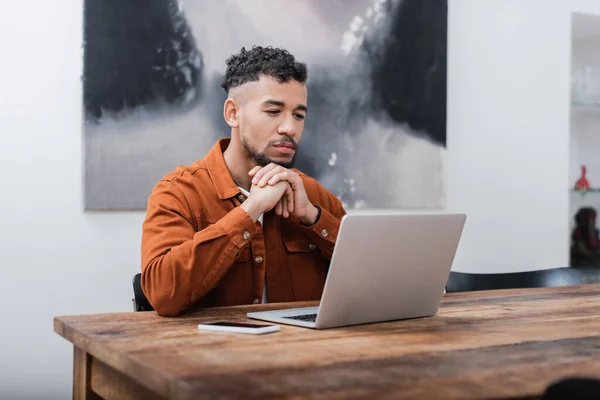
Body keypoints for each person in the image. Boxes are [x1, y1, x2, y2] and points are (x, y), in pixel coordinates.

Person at [141, 46, 347, 317]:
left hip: (303, 354)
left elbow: (370, 282)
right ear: (232, 114)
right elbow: (162, 295)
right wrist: (251, 210)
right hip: (208, 355)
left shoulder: (313, 197)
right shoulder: (178, 193)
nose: (290, 128)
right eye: (274, 111)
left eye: (299, 115)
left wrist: (312, 217)